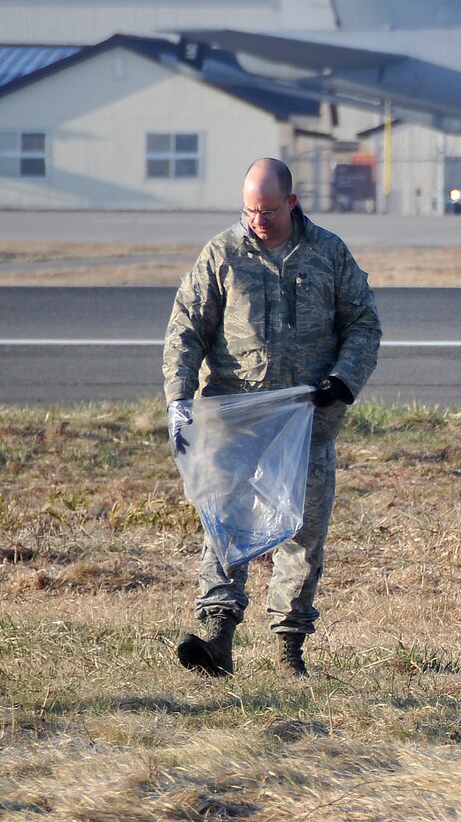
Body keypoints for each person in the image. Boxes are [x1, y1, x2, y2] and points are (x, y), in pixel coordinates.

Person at [163, 158, 381, 676]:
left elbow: (364, 324)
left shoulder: (329, 254)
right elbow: (186, 329)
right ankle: (217, 636)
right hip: (235, 420)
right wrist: (179, 399)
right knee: (225, 524)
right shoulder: (222, 254)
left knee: (303, 533)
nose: (257, 220)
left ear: (292, 201)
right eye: (249, 210)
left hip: (308, 424)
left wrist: (343, 380)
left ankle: (288, 647)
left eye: (267, 210)